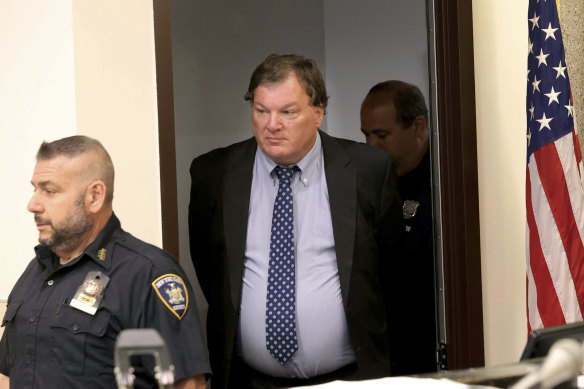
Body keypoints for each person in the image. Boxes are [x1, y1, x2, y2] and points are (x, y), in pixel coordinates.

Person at [188, 54, 403, 389]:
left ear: (318, 112)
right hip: (248, 380)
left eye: (287, 112)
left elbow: (392, 273)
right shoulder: (213, 174)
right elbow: (210, 270)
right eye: (261, 110)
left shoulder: (368, 170)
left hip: (350, 378)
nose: (272, 124)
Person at [0, 136, 211, 388]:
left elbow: (187, 384)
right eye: (34, 189)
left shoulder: (147, 274)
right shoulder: (38, 270)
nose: (33, 204)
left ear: (95, 196)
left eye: (49, 191)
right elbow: (8, 374)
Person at [360, 80, 438, 375]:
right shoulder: (368, 181)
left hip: (428, 347)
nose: (371, 146)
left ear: (418, 127)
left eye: (382, 135)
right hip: (384, 349)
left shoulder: (446, 180)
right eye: (366, 135)